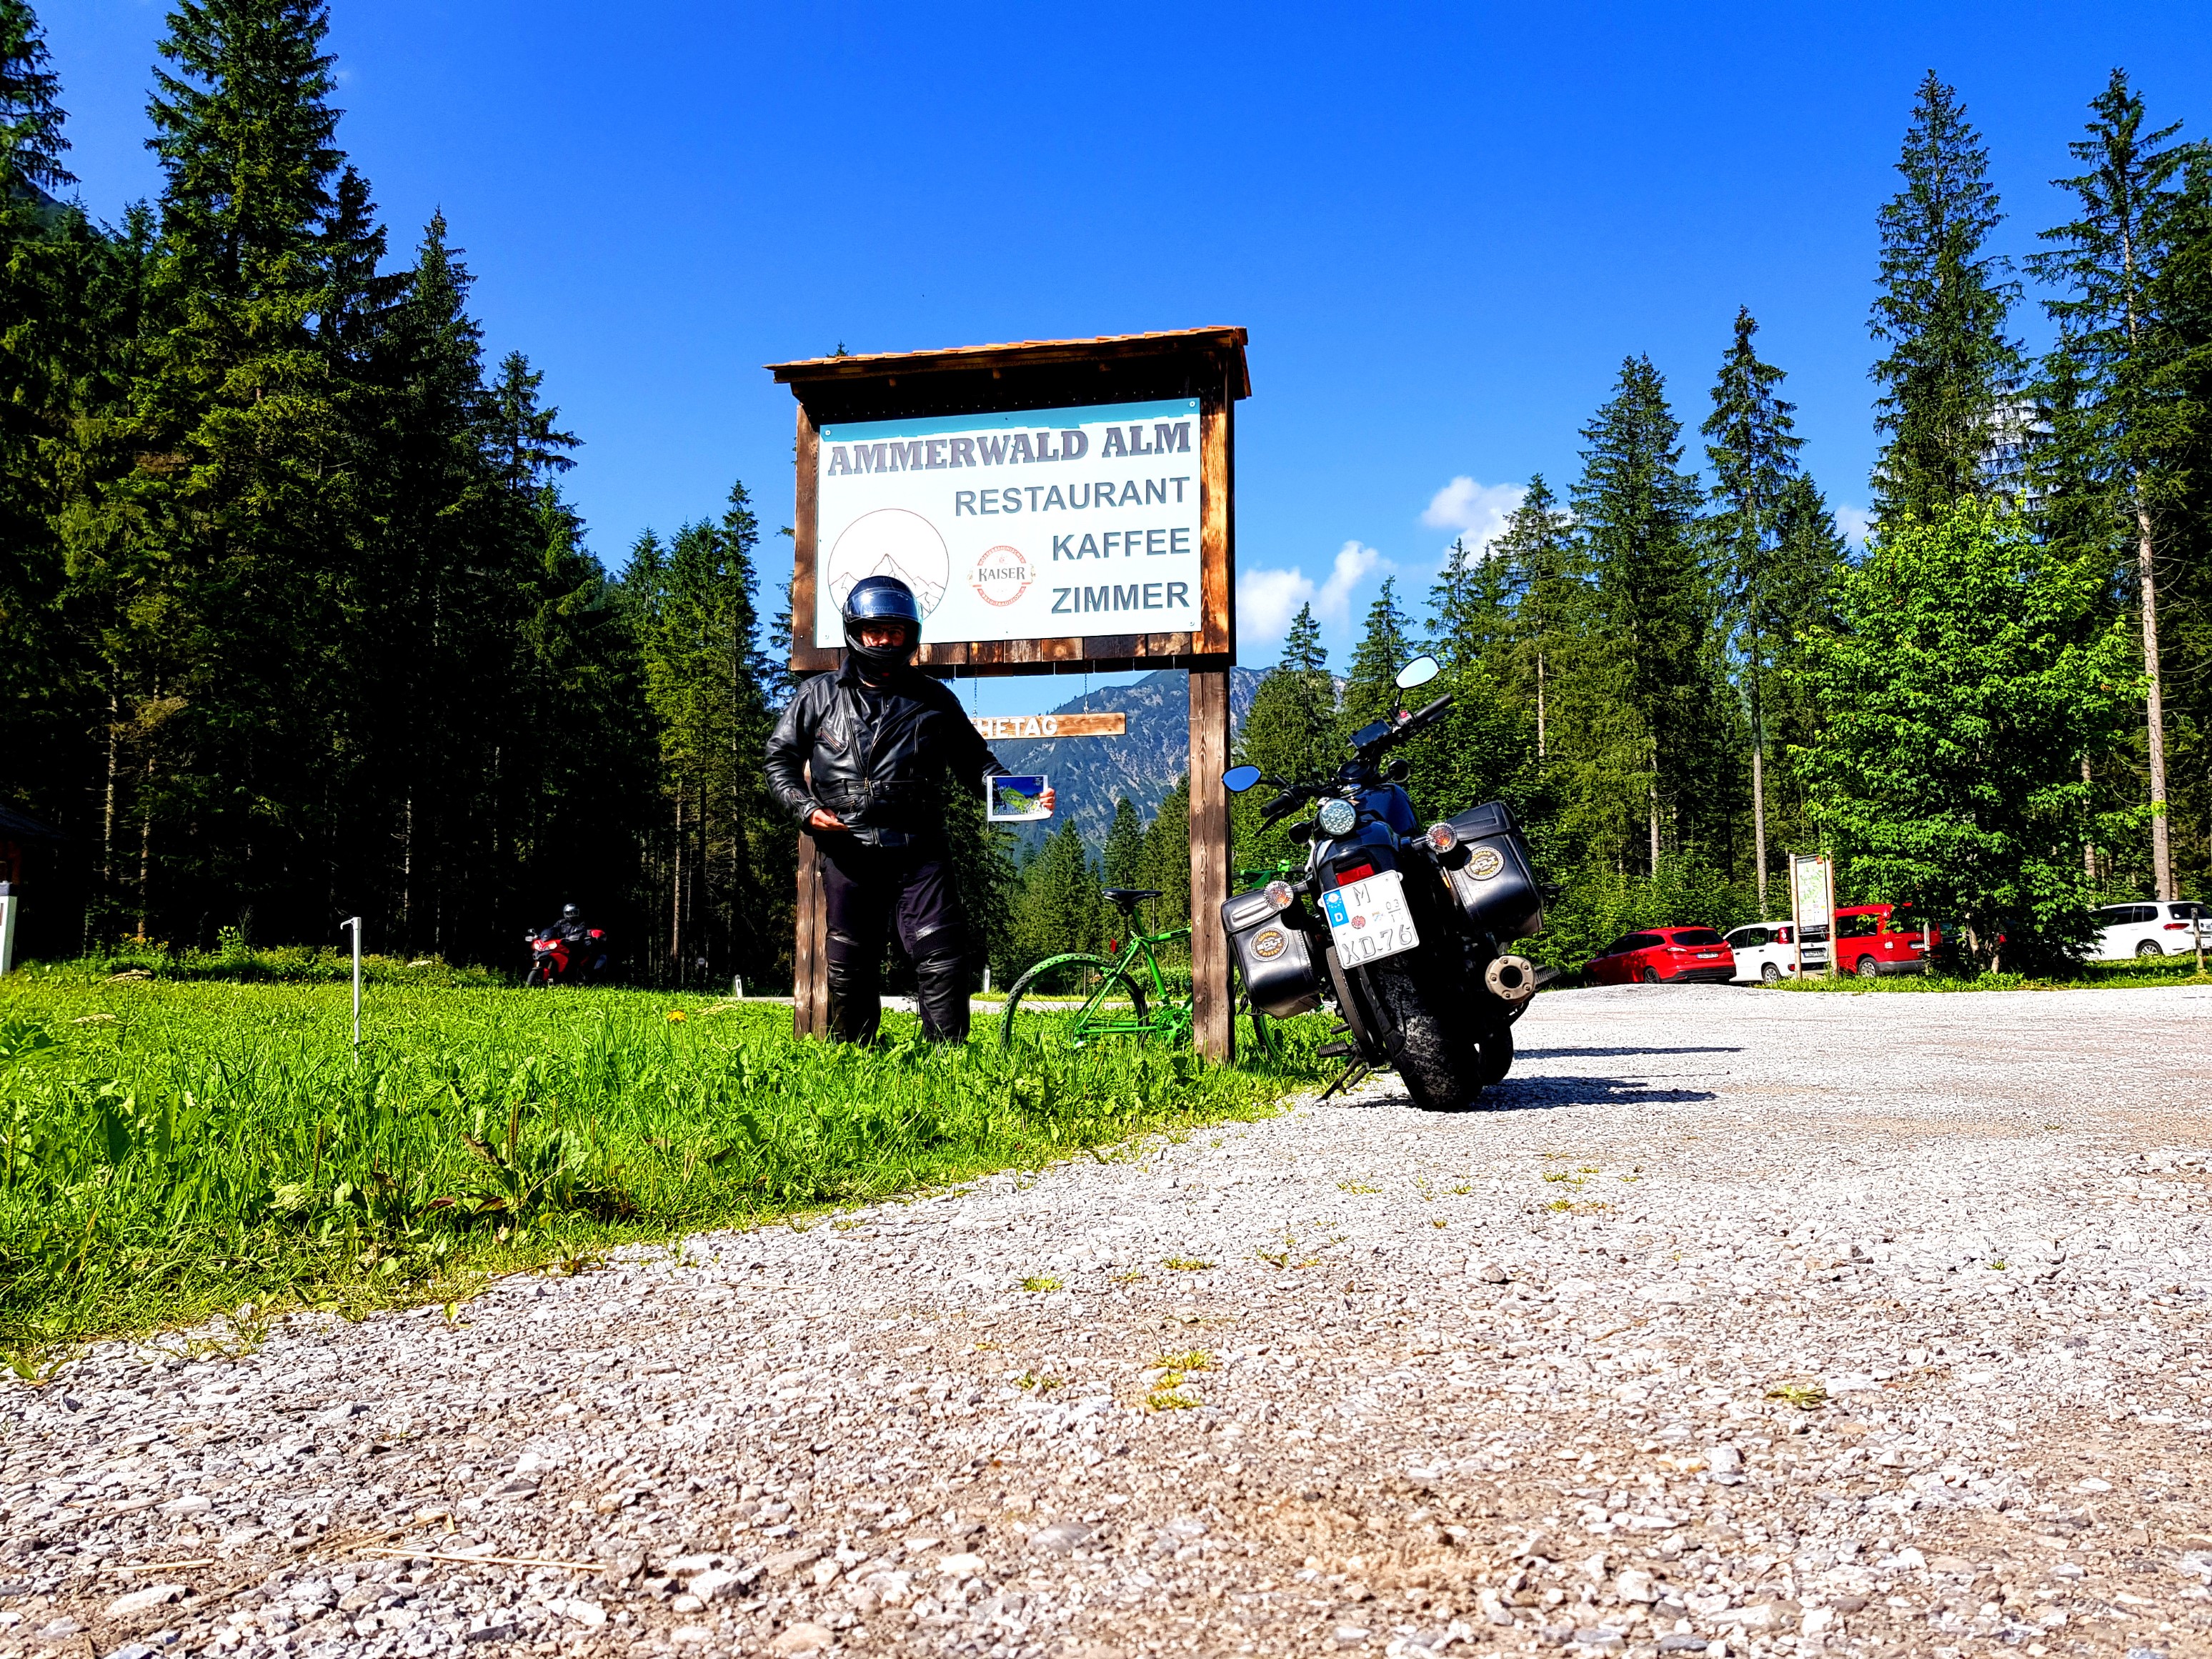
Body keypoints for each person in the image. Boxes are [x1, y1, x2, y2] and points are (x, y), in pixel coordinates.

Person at [765, 575, 1052, 1045]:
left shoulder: (934, 699)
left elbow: (975, 764)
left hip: (919, 850)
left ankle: (947, 1064)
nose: (884, 640)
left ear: (909, 636)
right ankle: (852, 1060)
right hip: (846, 848)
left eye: (894, 631)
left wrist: (1025, 797)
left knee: (942, 955)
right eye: (875, 630)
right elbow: (778, 758)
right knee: (848, 960)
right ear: (855, 631)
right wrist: (804, 809)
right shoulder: (816, 695)